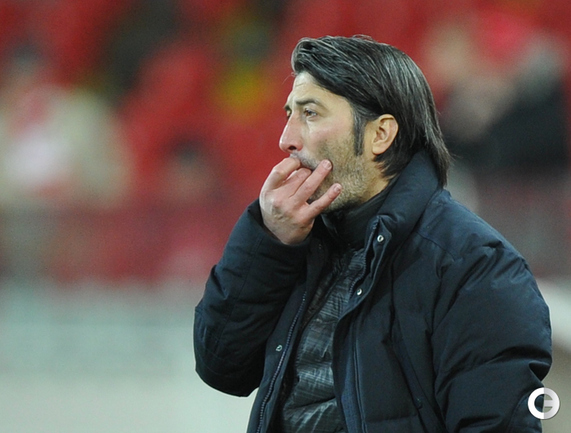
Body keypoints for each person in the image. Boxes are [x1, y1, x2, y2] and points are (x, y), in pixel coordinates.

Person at [193, 35, 552, 433]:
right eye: (289, 113)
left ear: (380, 135)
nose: (286, 139)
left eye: (310, 113)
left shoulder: (477, 268)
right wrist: (269, 243)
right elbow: (220, 366)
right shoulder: (295, 242)